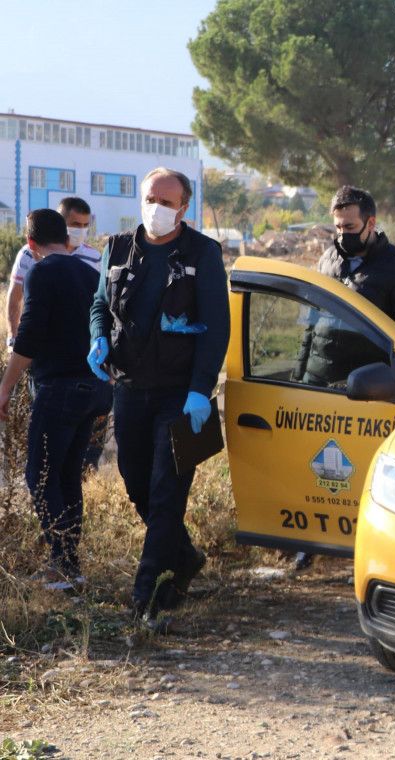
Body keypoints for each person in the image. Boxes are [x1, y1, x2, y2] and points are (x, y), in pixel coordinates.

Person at [88, 167, 230, 624]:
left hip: (181, 395)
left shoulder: (203, 253)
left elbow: (217, 328)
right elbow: (99, 304)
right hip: (130, 387)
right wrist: (97, 337)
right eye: (151, 199)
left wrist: (200, 390)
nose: (156, 208)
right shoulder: (118, 247)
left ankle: (145, 594)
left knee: (168, 491)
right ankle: (184, 556)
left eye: (167, 203)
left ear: (183, 208)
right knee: (136, 482)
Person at [291, 185, 395, 571]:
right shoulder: (328, 259)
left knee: (359, 469)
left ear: (370, 223)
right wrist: (300, 376)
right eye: (337, 227)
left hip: (366, 387)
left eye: (349, 227)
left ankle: (363, 541)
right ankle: (309, 540)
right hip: (320, 382)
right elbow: (310, 324)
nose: (342, 234)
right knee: (315, 464)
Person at [0, 210, 112, 591]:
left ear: (31, 244)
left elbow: (28, 337)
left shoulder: (41, 272)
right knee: (66, 476)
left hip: (60, 389)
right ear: (67, 240)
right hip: (95, 389)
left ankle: (64, 566)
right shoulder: (90, 274)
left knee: (40, 475)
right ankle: (69, 564)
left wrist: (5, 387)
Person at [7, 197, 102, 346]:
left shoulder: (94, 257)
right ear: (60, 223)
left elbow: (99, 303)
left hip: (80, 341)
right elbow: (15, 298)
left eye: (85, 225)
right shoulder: (29, 253)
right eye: (76, 224)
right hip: (39, 338)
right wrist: (13, 338)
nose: (81, 230)